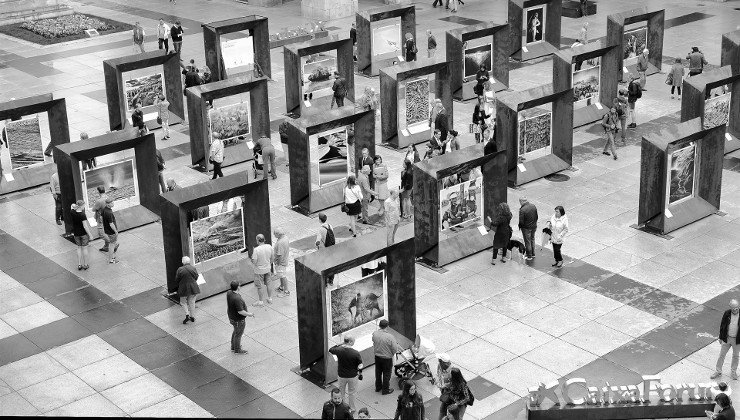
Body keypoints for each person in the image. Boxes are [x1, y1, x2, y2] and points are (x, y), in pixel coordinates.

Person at [329, 336, 363, 413]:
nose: (354, 342)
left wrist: (340, 344)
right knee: (352, 393)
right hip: (352, 376)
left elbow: (330, 349)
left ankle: (342, 408)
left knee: (341, 392)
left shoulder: (339, 350)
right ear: (350, 342)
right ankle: (352, 408)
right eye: (353, 341)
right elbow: (360, 365)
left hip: (341, 375)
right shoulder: (355, 353)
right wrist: (360, 373)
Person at [711, 299, 740, 380]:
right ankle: (718, 371)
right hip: (727, 338)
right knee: (721, 355)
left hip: (737, 340)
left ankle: (733, 371)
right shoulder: (727, 313)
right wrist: (720, 337)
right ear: (730, 308)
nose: (735, 309)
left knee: (736, 356)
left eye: (737, 307)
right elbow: (722, 326)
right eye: (733, 308)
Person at [372, 319, 400, 395]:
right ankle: (385, 389)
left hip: (377, 357)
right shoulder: (390, 337)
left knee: (378, 372)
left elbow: (373, 341)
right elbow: (395, 349)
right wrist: (392, 353)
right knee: (386, 374)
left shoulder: (375, 334)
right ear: (387, 326)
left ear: (379, 325)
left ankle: (378, 387)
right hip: (387, 358)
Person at [227, 281, 255, 354]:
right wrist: (249, 314)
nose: (240, 286)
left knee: (236, 332)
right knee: (238, 334)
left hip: (232, 317)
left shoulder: (229, 292)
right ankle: (237, 350)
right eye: (240, 285)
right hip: (238, 320)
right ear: (238, 287)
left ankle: (233, 347)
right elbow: (240, 311)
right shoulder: (237, 299)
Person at [250, 234, 274, 306]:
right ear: (264, 239)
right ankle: (270, 298)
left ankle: (260, 302)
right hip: (267, 269)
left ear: (257, 240)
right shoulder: (269, 247)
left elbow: (254, 261)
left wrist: (252, 258)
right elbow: (272, 258)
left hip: (259, 271)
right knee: (269, 283)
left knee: (260, 286)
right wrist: (268, 264)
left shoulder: (256, 250)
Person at [70, 200, 94, 271]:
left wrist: (75, 206)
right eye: (84, 205)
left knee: (79, 248)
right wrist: (90, 235)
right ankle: (85, 264)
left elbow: (72, 205)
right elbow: (85, 226)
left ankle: (79, 264)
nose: (84, 207)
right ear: (81, 206)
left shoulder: (72, 212)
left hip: (76, 233)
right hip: (83, 234)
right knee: (85, 249)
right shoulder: (82, 215)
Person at [175, 256, 199, 323]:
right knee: (191, 302)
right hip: (193, 288)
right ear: (189, 261)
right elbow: (196, 276)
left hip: (183, 289)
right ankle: (192, 316)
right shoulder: (193, 268)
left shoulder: (180, 269)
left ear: (183, 262)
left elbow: (177, 279)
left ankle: (187, 315)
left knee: (183, 302)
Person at [433, 353, 453, 420]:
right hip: (444, 393)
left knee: (450, 413)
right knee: (442, 410)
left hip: (451, 395)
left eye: (439, 360)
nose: (438, 361)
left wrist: (443, 386)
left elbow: (454, 384)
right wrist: (436, 380)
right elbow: (438, 375)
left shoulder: (452, 371)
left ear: (444, 363)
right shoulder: (440, 366)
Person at [91, 186, 109, 252]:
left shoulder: (99, 201)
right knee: (106, 232)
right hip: (107, 217)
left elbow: (93, 209)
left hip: (101, 219)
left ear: (98, 192)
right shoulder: (107, 197)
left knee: (101, 235)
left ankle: (113, 244)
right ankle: (106, 247)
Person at [101, 198, 119, 264]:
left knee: (113, 244)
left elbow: (101, 217)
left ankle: (113, 257)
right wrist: (116, 231)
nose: (113, 203)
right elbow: (111, 224)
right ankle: (111, 259)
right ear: (108, 204)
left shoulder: (104, 209)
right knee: (112, 245)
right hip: (111, 231)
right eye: (111, 203)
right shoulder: (109, 212)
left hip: (107, 230)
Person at [273, 228, 290, 297]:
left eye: (275, 234)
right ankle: (281, 287)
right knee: (281, 275)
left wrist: (278, 263)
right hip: (284, 260)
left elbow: (280, 255)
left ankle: (286, 292)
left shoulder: (280, 243)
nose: (274, 235)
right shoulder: (285, 238)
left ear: (278, 234)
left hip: (281, 263)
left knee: (283, 276)